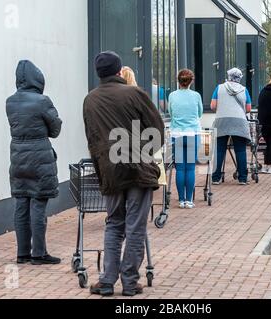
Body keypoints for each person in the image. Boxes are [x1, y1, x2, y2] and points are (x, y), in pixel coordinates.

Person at [84, 51, 165, 297]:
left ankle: (107, 281)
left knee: (114, 225)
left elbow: (92, 139)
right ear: (120, 71)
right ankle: (130, 282)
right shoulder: (135, 94)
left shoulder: (90, 100)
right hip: (138, 168)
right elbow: (157, 130)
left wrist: (103, 167)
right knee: (135, 226)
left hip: (111, 170)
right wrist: (142, 152)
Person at [6, 60, 62, 266]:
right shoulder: (42, 101)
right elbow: (55, 130)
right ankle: (39, 253)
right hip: (39, 158)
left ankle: (22, 254)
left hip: (18, 157)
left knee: (21, 203)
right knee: (38, 204)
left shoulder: (10, 102)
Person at [168, 69, 203, 209]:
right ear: (191, 81)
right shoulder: (196, 96)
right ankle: (189, 200)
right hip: (192, 134)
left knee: (180, 169)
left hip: (177, 135)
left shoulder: (172, 96)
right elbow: (199, 113)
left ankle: (181, 200)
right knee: (190, 168)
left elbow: (171, 113)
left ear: (178, 81)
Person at [211, 68, 252, 185]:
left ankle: (216, 177)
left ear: (228, 76)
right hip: (239, 122)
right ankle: (242, 178)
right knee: (240, 150)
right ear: (240, 77)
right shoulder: (244, 90)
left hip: (222, 121)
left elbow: (213, 106)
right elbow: (248, 108)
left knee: (219, 150)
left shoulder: (219, 88)